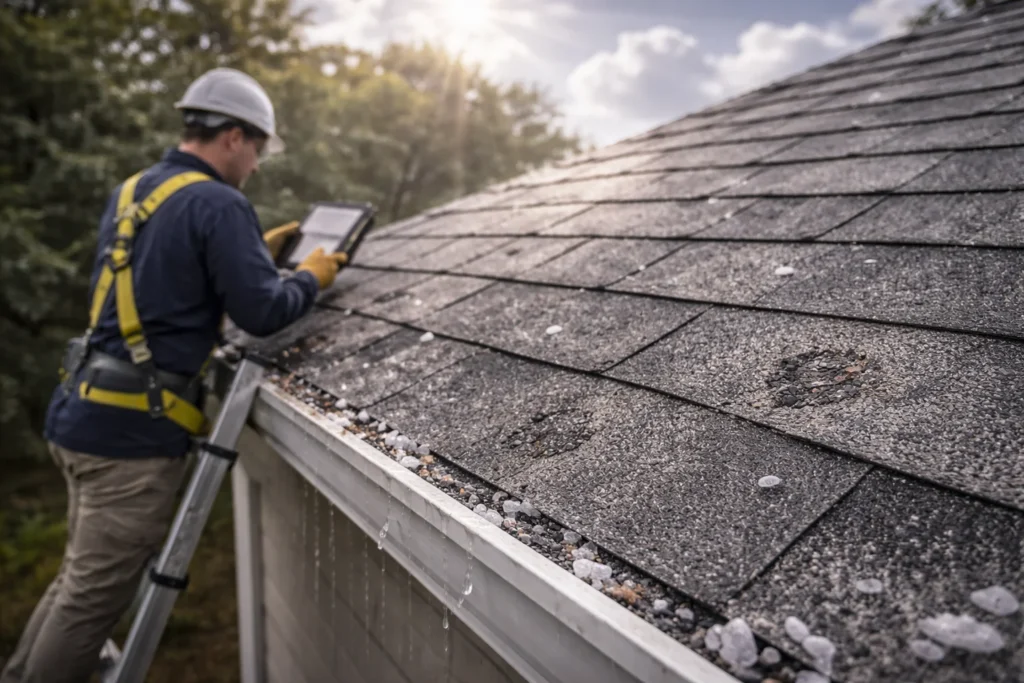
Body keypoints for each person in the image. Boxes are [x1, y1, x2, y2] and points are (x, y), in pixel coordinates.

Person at [0, 67, 346, 683]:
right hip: (129, 441)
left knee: (77, 579)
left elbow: (164, 286)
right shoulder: (220, 201)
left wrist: (247, 257)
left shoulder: (136, 190)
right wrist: (307, 278)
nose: (258, 166)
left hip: (82, 411)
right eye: (258, 149)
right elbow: (262, 313)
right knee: (91, 601)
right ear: (234, 137)